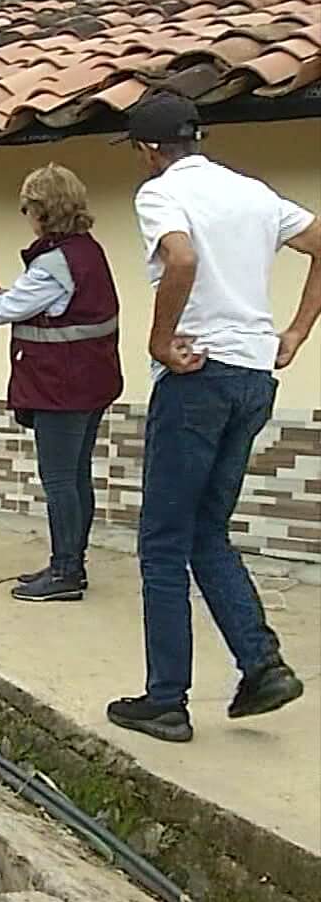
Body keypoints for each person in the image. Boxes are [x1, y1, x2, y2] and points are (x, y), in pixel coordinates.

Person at [108, 92, 319, 743]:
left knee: (163, 542)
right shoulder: (253, 192)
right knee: (207, 532)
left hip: (198, 378)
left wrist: (159, 339)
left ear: (148, 151)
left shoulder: (161, 194)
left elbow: (183, 257)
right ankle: (262, 666)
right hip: (254, 375)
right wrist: (295, 332)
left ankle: (166, 699)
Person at [0, 164, 122, 603]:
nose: (25, 215)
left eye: (27, 208)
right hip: (91, 383)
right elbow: (48, 306)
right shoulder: (87, 251)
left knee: (59, 480)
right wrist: (0, 291)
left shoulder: (53, 263)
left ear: (42, 212)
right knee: (76, 476)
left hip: (60, 387)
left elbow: (1, 312)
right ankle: (71, 563)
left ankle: (66, 571)